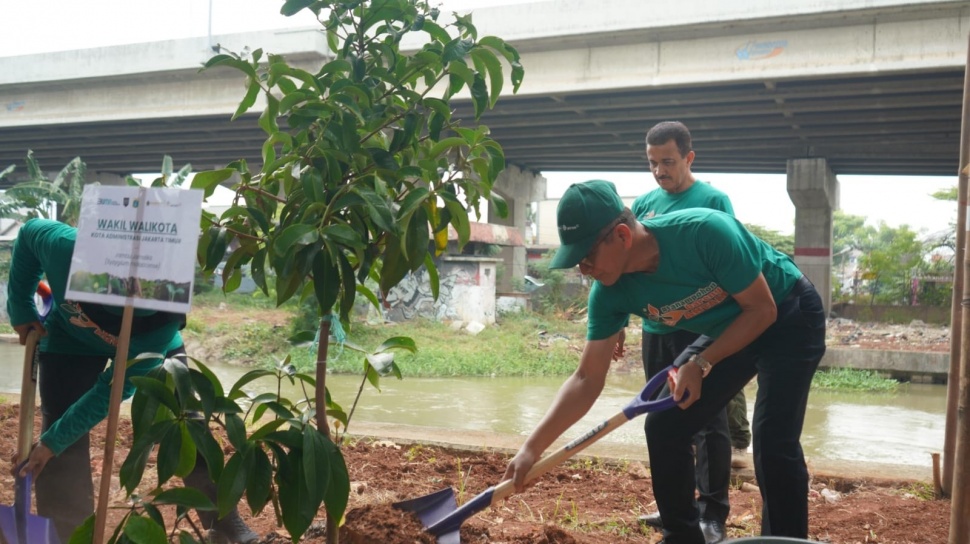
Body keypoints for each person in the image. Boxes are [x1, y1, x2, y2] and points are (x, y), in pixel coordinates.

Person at [503, 180, 825, 543]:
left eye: (587, 257)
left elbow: (762, 310)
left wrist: (701, 364)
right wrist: (532, 448)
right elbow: (586, 379)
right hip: (730, 324)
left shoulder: (705, 232)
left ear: (622, 235)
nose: (584, 270)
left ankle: (785, 540)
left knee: (773, 442)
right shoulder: (609, 293)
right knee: (665, 426)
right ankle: (683, 537)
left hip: (787, 313)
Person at [6, 217, 258, 544]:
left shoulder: (162, 323)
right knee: (56, 445)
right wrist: (21, 310)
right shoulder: (66, 249)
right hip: (71, 337)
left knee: (187, 424)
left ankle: (224, 522)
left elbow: (111, 389)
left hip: (149, 350)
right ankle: (71, 535)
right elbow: (27, 235)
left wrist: (53, 441)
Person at [622, 120, 738, 542]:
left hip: (701, 327)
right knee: (664, 415)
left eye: (668, 162)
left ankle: (712, 512)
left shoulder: (712, 200)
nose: (659, 171)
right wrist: (619, 322)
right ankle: (678, 505)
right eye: (652, 163)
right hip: (656, 326)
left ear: (689, 158)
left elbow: (729, 261)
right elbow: (625, 266)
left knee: (707, 419)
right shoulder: (646, 203)